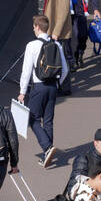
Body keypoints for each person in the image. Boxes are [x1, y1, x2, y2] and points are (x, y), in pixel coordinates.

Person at [18, 14, 69, 168]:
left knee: (32, 118)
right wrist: (57, 83)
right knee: (48, 120)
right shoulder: (56, 45)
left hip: (38, 86)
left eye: (34, 27)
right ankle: (49, 154)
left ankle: (47, 148)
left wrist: (22, 91)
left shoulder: (32, 45)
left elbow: (26, 71)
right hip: (52, 86)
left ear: (38, 27)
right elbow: (65, 69)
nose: (33, 29)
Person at [43, 0, 74, 91]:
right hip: (54, 31)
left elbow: (63, 13)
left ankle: (65, 88)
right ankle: (60, 85)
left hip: (60, 33)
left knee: (62, 62)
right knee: (58, 60)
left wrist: (55, 32)